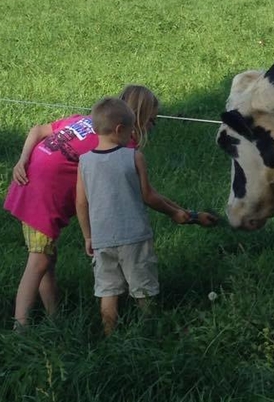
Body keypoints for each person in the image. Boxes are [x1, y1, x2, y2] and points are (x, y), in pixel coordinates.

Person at [5, 85, 160, 329]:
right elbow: (125, 194)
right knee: (39, 261)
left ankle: (54, 317)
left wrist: (22, 159)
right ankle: (19, 327)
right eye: (152, 121)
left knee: (46, 258)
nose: (152, 127)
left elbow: (38, 130)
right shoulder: (119, 146)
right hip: (44, 195)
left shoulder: (87, 121)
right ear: (137, 119)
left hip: (29, 182)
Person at [75, 96, 217, 336]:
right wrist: (176, 212)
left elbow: (81, 202)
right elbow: (149, 196)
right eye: (130, 130)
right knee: (144, 288)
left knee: (107, 292)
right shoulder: (134, 157)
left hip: (102, 241)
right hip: (134, 238)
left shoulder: (84, 162)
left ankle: (110, 337)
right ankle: (150, 330)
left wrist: (88, 236)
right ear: (120, 129)